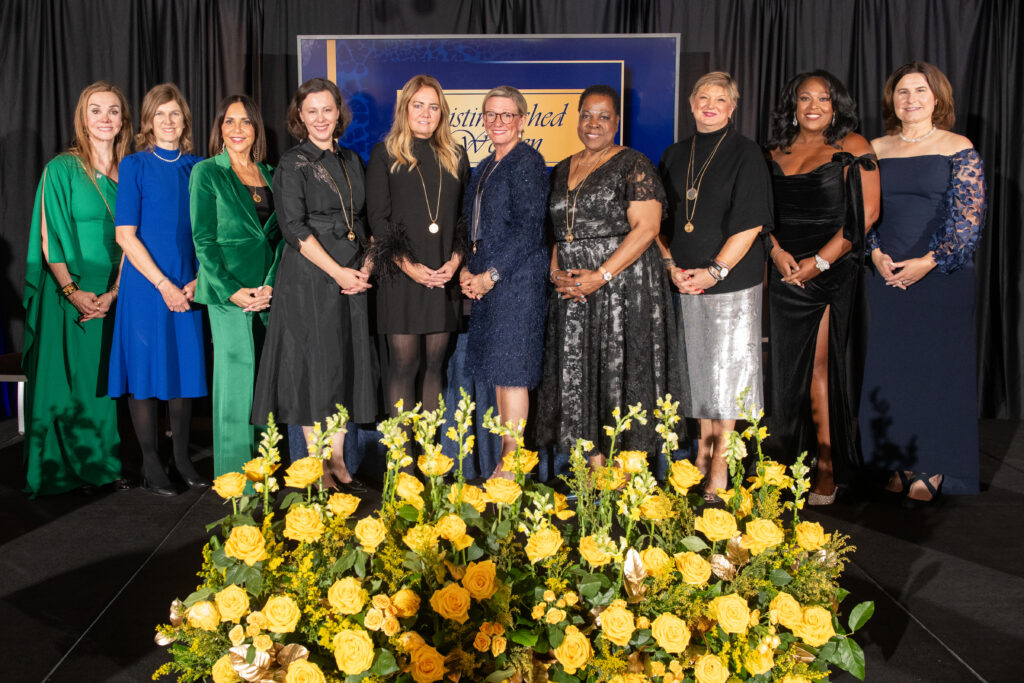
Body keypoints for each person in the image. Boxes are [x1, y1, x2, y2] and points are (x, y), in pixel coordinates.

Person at [860, 61, 985, 504]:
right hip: (886, 274)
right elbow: (862, 213)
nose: (910, 99)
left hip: (940, 277)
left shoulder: (958, 147)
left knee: (935, 370)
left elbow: (967, 221)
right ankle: (896, 459)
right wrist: (875, 254)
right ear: (891, 100)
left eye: (919, 91)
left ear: (937, 98)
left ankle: (932, 464)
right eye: (902, 92)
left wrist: (928, 262)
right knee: (893, 370)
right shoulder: (874, 148)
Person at [251, 78, 378, 490]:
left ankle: (339, 461)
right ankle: (319, 464)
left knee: (342, 366)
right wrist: (339, 272)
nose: (321, 118)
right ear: (299, 117)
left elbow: (368, 222)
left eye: (328, 109)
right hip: (310, 276)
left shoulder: (353, 160)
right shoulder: (293, 163)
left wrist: (367, 268)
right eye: (312, 111)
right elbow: (293, 228)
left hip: (352, 276)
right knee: (311, 370)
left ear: (339, 113)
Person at [537, 84, 674, 463]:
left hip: (621, 288)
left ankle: (624, 472)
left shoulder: (634, 163)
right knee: (579, 372)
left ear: (616, 122)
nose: (593, 123)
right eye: (586, 115)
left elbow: (646, 228)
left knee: (616, 372)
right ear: (577, 119)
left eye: (603, 116)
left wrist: (601, 275)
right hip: (572, 290)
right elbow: (555, 231)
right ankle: (593, 472)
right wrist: (555, 274)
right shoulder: (563, 166)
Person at [763, 71, 879, 505]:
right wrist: (777, 255)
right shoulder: (773, 151)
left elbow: (865, 215)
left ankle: (826, 472)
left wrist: (820, 262)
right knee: (781, 375)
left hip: (828, 273)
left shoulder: (853, 147)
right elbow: (761, 217)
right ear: (792, 105)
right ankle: (780, 467)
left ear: (837, 105)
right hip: (784, 270)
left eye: (824, 99)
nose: (813, 106)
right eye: (804, 98)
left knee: (817, 373)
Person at [657, 71, 773, 500]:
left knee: (728, 376)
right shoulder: (673, 154)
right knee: (697, 374)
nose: (710, 104)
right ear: (690, 103)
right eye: (702, 96)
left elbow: (752, 223)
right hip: (682, 281)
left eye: (719, 99)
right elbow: (657, 221)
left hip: (730, 282)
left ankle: (721, 464)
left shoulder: (746, 154)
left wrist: (715, 271)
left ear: (732, 107)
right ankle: (703, 452)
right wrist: (671, 266)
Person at [22, 81, 133, 497]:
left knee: (100, 384)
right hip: (69, 292)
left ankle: (102, 467)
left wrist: (115, 292)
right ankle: (58, 471)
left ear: (123, 120)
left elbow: (134, 238)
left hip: (114, 291)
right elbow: (50, 239)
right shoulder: (62, 169)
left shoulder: (131, 170)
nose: (105, 118)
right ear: (82, 119)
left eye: (113, 111)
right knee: (66, 383)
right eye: (96, 110)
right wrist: (72, 291)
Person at [109, 83, 208, 496]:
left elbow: (209, 231)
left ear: (185, 120)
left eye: (176, 114)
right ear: (148, 121)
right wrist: (165, 284)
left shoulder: (200, 167)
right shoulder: (134, 165)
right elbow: (125, 237)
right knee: (147, 373)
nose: (168, 121)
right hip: (147, 285)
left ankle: (182, 459)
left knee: (184, 372)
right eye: (160, 114)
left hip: (189, 281)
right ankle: (152, 465)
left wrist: (198, 280)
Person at [367, 75, 469, 422]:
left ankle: (430, 464)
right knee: (403, 366)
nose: (426, 113)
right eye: (418, 105)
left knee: (435, 368)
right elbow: (378, 222)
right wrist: (410, 267)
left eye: (433, 107)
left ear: (442, 113)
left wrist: (455, 263)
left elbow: (465, 221)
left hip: (443, 278)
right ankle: (402, 464)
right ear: (404, 108)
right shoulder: (385, 155)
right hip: (400, 277)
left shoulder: (456, 156)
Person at [459, 86, 549, 476]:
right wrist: (466, 268)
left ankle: (512, 465)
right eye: (491, 115)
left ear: (522, 121)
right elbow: (472, 226)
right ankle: (506, 460)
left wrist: (490, 276)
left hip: (515, 284)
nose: (498, 122)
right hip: (488, 282)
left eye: (507, 115)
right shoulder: (485, 165)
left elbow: (530, 230)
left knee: (513, 373)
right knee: (500, 371)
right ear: (482, 120)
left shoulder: (527, 162)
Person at [190, 94, 281, 479]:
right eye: (230, 121)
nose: (237, 129)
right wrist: (232, 290)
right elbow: (203, 240)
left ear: (256, 128)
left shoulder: (273, 173)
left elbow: (283, 238)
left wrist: (272, 285)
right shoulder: (207, 172)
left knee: (265, 383)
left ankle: (265, 473)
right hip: (228, 294)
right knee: (236, 381)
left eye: (245, 121)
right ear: (220, 129)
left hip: (269, 295)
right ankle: (235, 479)